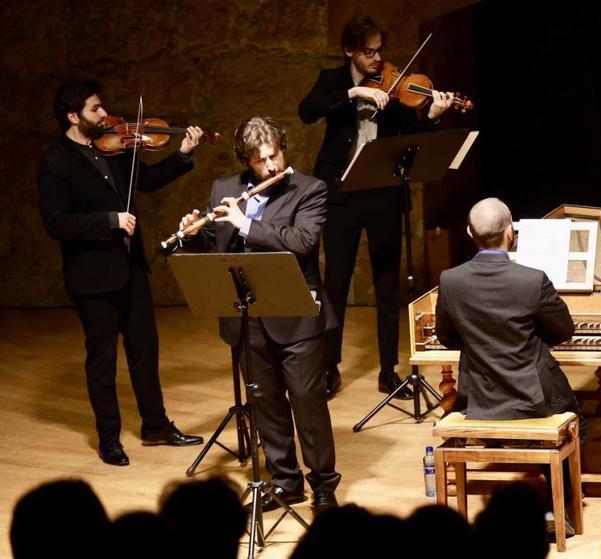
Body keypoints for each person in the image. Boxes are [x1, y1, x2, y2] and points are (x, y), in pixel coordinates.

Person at [177, 116, 339, 516]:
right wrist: (195, 234)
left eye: (275, 155)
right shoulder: (225, 188)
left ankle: (323, 484)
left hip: (296, 314)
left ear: (282, 148)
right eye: (260, 160)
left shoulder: (309, 189)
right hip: (246, 315)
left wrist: (247, 224)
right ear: (246, 161)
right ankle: (286, 482)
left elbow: (303, 241)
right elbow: (216, 243)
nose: (271, 165)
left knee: (307, 402)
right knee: (265, 403)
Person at [36, 80, 205, 466]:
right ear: (73, 116)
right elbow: (56, 222)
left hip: (130, 267)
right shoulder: (56, 162)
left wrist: (182, 153)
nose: (105, 114)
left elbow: (146, 181)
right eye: (95, 109)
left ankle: (155, 425)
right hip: (92, 277)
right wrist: (109, 221)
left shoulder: (114, 147)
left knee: (145, 349)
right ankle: (109, 437)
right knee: (102, 359)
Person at [298, 14, 455, 399]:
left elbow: (413, 137)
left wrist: (432, 117)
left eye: (379, 50)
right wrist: (355, 93)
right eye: (368, 52)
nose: (377, 59)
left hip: (384, 193)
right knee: (336, 283)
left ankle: (388, 370)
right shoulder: (332, 81)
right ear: (349, 51)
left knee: (387, 285)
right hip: (341, 195)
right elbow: (307, 111)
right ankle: (329, 367)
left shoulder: (395, 85)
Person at [434, 198, 581, 534]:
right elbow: (564, 330)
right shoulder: (532, 280)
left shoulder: (451, 280)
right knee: (577, 419)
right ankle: (561, 508)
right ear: (510, 232)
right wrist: (530, 338)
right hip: (533, 398)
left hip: (478, 397)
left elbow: (446, 336)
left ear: (469, 233)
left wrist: (481, 343)